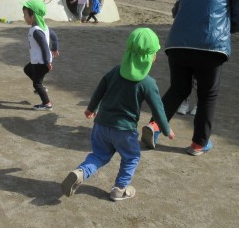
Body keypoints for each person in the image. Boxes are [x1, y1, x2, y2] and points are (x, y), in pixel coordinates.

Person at [141, 0, 239, 156]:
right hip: (211, 46)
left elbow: (176, 12)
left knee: (178, 88)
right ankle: (199, 143)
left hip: (178, 44)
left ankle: (154, 126)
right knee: (207, 94)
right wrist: (227, 29)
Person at [61, 28, 174, 201]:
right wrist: (166, 130)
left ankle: (81, 172)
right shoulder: (148, 83)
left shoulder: (115, 71)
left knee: (99, 155)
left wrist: (91, 108)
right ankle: (119, 189)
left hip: (101, 125)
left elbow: (100, 88)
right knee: (131, 157)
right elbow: (158, 109)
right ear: (151, 57)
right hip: (124, 131)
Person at [22, 0, 59, 111]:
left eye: (25, 15)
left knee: (36, 84)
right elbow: (54, 37)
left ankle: (47, 104)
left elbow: (44, 46)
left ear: (33, 15)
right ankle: (41, 88)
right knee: (27, 69)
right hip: (39, 61)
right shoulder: (44, 27)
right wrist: (55, 48)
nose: (24, 17)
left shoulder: (36, 31)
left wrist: (47, 61)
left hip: (41, 62)